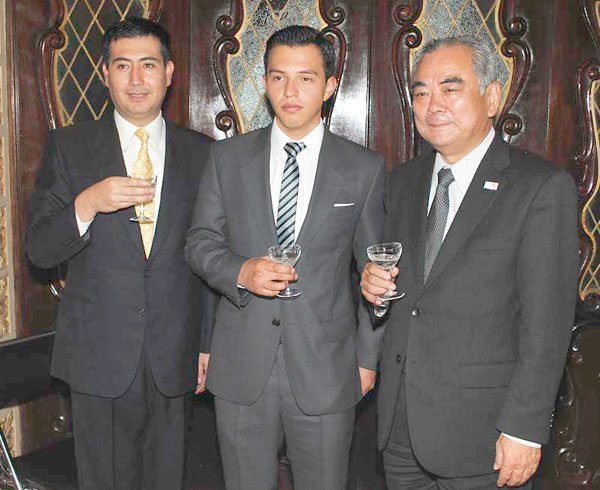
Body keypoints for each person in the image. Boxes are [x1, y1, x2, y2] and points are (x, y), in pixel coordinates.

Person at [360, 35, 579, 489]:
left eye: (451, 88)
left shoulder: (538, 187)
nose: (433, 104)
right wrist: (375, 292)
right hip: (401, 430)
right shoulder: (402, 182)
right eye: (421, 92)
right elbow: (412, 296)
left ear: (492, 97)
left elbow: (548, 324)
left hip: (487, 436)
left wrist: (524, 429)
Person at [185, 25, 385, 490]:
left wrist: (368, 359)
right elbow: (199, 243)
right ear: (265, 82)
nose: (290, 92)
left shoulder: (363, 168)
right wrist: (242, 271)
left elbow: (375, 270)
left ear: (329, 86)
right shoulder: (227, 158)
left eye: (305, 78)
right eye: (278, 77)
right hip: (241, 364)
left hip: (327, 367)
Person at [26, 17, 214, 490]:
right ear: (105, 73)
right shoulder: (70, 147)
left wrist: (209, 343)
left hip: (175, 355)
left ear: (168, 73)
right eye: (122, 65)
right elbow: (40, 250)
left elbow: (211, 255)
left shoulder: (204, 154)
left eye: (148, 65)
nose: (136, 79)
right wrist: (87, 203)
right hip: (97, 358)